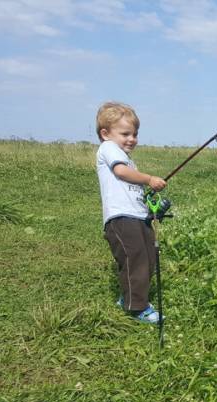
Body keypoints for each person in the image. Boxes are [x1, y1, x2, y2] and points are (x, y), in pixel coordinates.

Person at [95, 101, 166, 323]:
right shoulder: (108, 149)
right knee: (135, 259)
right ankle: (136, 308)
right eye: (125, 133)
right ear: (105, 134)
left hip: (137, 216)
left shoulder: (128, 160)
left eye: (135, 134)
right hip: (121, 218)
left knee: (148, 258)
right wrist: (149, 179)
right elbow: (121, 172)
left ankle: (129, 297)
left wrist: (151, 205)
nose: (132, 139)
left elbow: (130, 187)